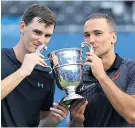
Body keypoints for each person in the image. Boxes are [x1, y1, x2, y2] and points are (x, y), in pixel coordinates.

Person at [1, 4, 68, 127]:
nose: (42, 41)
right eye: (37, 32)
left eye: (47, 35)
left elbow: (41, 124)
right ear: (22, 27)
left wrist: (53, 120)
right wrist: (23, 71)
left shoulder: (46, 74)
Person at [68, 13, 135, 127]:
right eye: (87, 35)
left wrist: (102, 76)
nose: (91, 40)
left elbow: (132, 114)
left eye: (98, 33)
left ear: (113, 37)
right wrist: (77, 120)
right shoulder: (80, 77)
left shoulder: (131, 69)